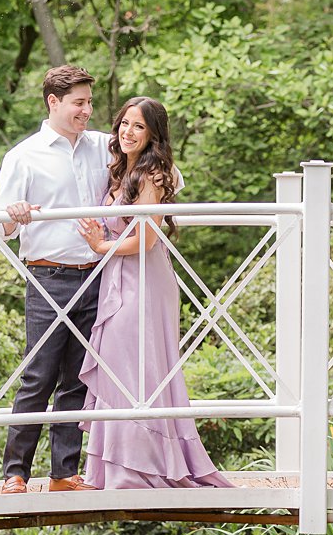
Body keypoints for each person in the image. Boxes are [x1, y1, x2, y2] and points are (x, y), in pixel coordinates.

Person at [75, 97, 233, 490]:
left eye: (138, 127)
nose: (128, 132)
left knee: (139, 367)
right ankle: (114, 467)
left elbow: (146, 238)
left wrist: (100, 248)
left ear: (153, 135)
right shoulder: (120, 171)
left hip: (145, 279)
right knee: (117, 367)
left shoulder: (154, 175)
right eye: (124, 124)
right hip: (118, 275)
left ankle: (143, 470)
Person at [0, 64, 110, 493]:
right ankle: (15, 472)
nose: (87, 111)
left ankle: (64, 472)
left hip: (97, 276)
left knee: (79, 376)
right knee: (38, 376)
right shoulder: (23, 155)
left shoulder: (103, 146)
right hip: (48, 277)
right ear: (53, 102)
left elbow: (153, 165)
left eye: (90, 102)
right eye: (79, 103)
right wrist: (13, 216)